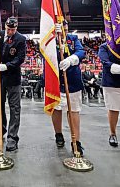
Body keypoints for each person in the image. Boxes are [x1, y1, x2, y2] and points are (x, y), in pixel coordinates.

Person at [0, 16, 26, 152]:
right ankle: (0, 130)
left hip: (13, 78)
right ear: (5, 26)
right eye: (8, 29)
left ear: (16, 28)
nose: (10, 31)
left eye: (13, 29)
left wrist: (6, 66)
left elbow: (20, 58)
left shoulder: (21, 39)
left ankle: (12, 137)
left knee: (15, 108)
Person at [51, 20, 87, 156]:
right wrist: (55, 41)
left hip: (72, 79)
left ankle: (76, 141)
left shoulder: (73, 38)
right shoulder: (50, 40)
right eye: (61, 28)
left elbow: (81, 52)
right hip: (55, 80)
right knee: (57, 108)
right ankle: (58, 134)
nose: (64, 30)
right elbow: (44, 53)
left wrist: (71, 60)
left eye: (65, 28)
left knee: (74, 111)